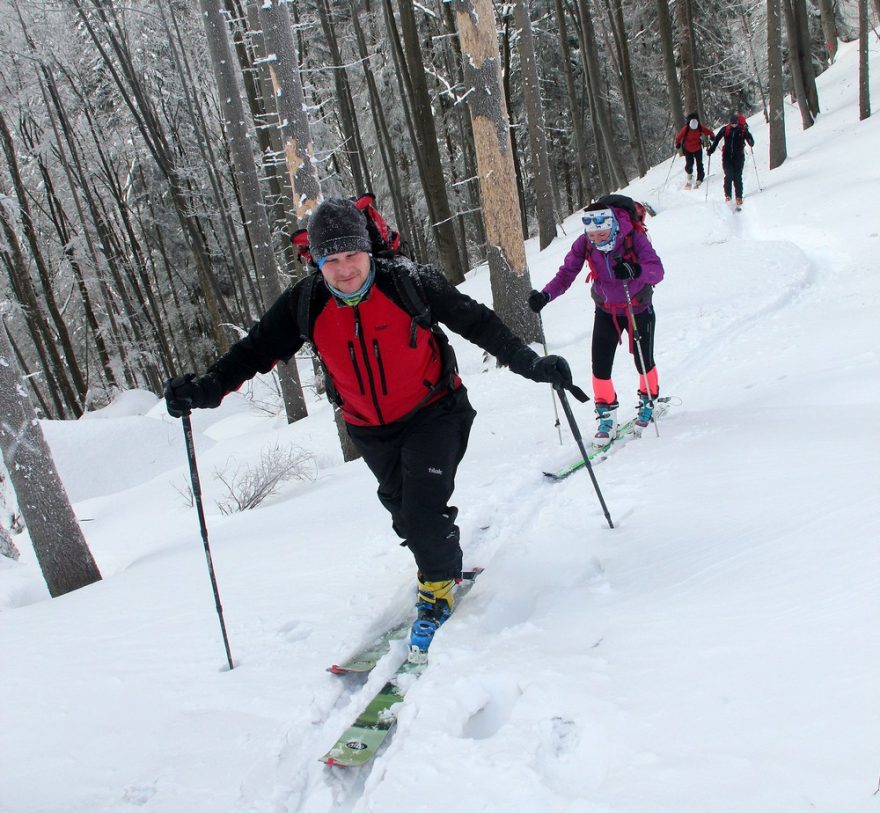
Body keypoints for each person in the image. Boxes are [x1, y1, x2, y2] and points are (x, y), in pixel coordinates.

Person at [164, 198, 576, 656]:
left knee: (422, 511)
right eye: (331, 260)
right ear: (316, 262)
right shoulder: (306, 302)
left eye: (352, 256)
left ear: (368, 251)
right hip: (369, 429)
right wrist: (203, 391)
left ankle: (438, 585)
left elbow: (479, 324)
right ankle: (440, 552)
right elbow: (253, 353)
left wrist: (533, 364)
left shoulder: (409, 282)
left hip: (435, 411)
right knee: (405, 514)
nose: (344, 271)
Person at [527, 201, 664, 446]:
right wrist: (545, 295)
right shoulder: (585, 244)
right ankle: (606, 416)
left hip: (637, 307)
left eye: (602, 233)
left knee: (643, 360)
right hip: (606, 310)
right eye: (592, 234)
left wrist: (634, 269)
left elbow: (657, 271)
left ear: (612, 226)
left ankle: (648, 401)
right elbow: (566, 274)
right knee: (600, 365)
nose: (597, 238)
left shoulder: (633, 238)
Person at [707, 112, 755, 207]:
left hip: (739, 156)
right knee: (728, 175)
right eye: (732, 123)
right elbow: (716, 139)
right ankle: (728, 196)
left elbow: (751, 140)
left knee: (737, 176)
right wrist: (711, 150)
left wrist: (750, 141)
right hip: (727, 156)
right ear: (730, 123)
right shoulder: (725, 130)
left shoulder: (742, 130)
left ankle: (738, 197)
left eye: (735, 123)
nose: (734, 125)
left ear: (738, 123)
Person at [674, 112, 714, 189]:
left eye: (695, 129)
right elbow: (678, 138)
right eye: (692, 129)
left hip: (698, 148)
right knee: (689, 164)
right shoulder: (685, 129)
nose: (694, 130)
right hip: (688, 149)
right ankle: (689, 175)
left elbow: (709, 132)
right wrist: (677, 144)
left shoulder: (699, 127)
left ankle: (700, 178)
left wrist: (712, 136)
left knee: (699, 164)